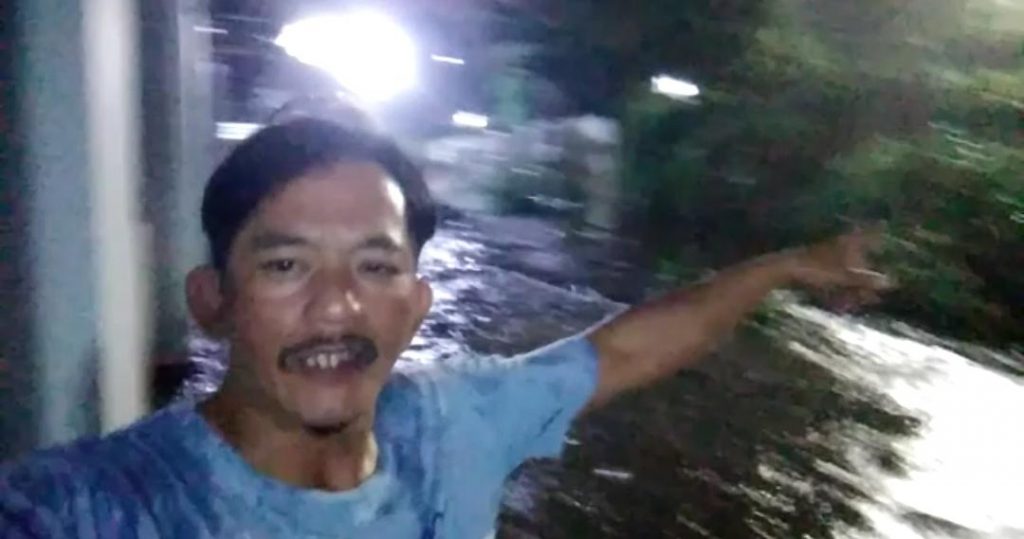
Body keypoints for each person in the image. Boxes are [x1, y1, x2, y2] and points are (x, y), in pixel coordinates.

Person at [0, 118, 890, 538]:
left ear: (417, 304)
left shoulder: (454, 419)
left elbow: (627, 346)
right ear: (212, 301)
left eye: (375, 266)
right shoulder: (95, 506)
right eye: (286, 265)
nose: (337, 304)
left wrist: (782, 267)